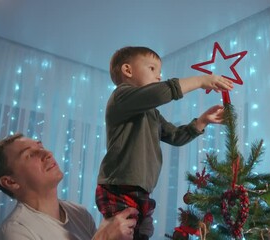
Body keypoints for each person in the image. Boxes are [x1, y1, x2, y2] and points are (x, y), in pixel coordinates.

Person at [95, 46, 234, 239]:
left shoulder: (151, 113)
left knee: (142, 234)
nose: (158, 76)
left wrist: (202, 121)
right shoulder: (120, 96)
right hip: (119, 187)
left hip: (142, 191)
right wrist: (202, 80)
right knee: (123, 234)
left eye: (160, 73)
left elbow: (176, 136)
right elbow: (159, 93)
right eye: (152, 69)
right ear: (128, 70)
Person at [0, 133, 138, 240]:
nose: (47, 153)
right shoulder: (14, 232)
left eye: (41, 146)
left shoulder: (80, 214)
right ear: (11, 182)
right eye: (30, 154)